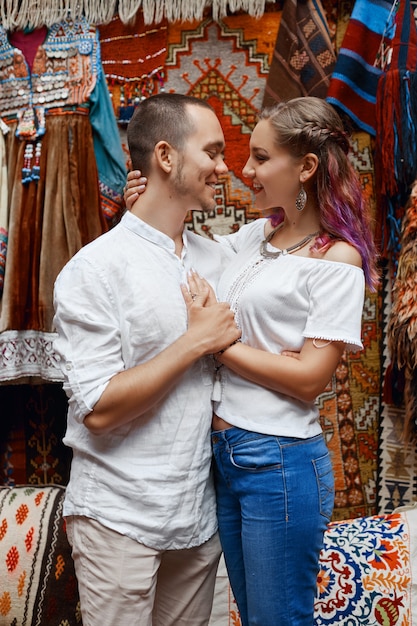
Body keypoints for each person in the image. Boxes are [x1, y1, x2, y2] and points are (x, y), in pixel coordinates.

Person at [125, 95, 379, 626]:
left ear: (305, 166)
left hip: (279, 459)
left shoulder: (336, 259)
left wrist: (222, 345)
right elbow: (185, 251)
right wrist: (144, 209)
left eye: (261, 158)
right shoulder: (256, 236)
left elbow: (309, 379)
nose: (244, 170)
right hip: (226, 454)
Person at [52, 93, 241, 626]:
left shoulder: (218, 257)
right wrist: (195, 341)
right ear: (165, 156)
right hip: (118, 517)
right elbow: (101, 409)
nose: (225, 167)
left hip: (198, 520)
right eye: (213, 152)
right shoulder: (95, 270)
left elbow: (292, 237)